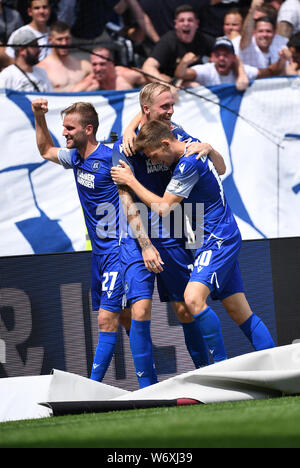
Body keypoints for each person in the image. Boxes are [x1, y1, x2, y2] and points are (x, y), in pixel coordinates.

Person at [111, 119, 275, 364]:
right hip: (216, 236)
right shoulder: (192, 145)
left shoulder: (187, 164)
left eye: (154, 155)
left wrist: (131, 181)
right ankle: (275, 367)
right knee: (239, 311)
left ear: (166, 143)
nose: (154, 161)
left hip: (217, 240)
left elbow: (163, 208)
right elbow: (221, 168)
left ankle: (220, 369)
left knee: (192, 299)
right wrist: (209, 147)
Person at [111, 82, 228, 388]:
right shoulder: (124, 147)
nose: (171, 112)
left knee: (183, 308)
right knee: (138, 309)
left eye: (172, 105)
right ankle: (146, 389)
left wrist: (208, 147)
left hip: (176, 232)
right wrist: (145, 245)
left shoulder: (175, 131)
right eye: (165, 106)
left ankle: (210, 376)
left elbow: (216, 164)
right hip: (139, 239)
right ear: (146, 110)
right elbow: (127, 200)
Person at [31, 98, 133, 383]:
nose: (64, 133)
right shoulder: (75, 158)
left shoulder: (113, 156)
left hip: (119, 250)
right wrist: (38, 116)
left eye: (69, 128)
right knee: (125, 318)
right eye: (63, 127)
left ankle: (91, 387)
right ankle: (150, 379)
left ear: (88, 129)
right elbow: (45, 149)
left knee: (105, 319)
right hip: (98, 254)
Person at [174, 35, 285, 90]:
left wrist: (282, 59)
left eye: (226, 55)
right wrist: (183, 63)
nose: (221, 58)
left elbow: (270, 72)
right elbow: (180, 74)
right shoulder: (207, 70)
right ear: (212, 57)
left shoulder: (241, 69)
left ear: (233, 57)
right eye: (218, 55)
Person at [142, 4, 214, 84]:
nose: (186, 24)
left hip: (194, 81)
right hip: (170, 83)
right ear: (176, 24)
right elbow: (147, 67)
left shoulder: (204, 40)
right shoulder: (168, 41)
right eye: (182, 20)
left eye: (190, 20)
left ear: (197, 23)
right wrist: (165, 85)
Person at [37, 21, 92, 92]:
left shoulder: (83, 65)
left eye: (67, 38)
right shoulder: (42, 69)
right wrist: (76, 91)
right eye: (59, 39)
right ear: (50, 40)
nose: (64, 43)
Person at [232, 3, 288, 68]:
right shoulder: (245, 41)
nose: (264, 34)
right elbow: (245, 37)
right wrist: (253, 9)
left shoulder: (282, 42)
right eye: (254, 20)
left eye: (268, 31)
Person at [72, 47, 146, 92]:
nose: (98, 69)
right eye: (94, 64)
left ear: (111, 63)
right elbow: (70, 96)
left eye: (102, 64)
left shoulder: (125, 75)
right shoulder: (91, 81)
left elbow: (153, 81)